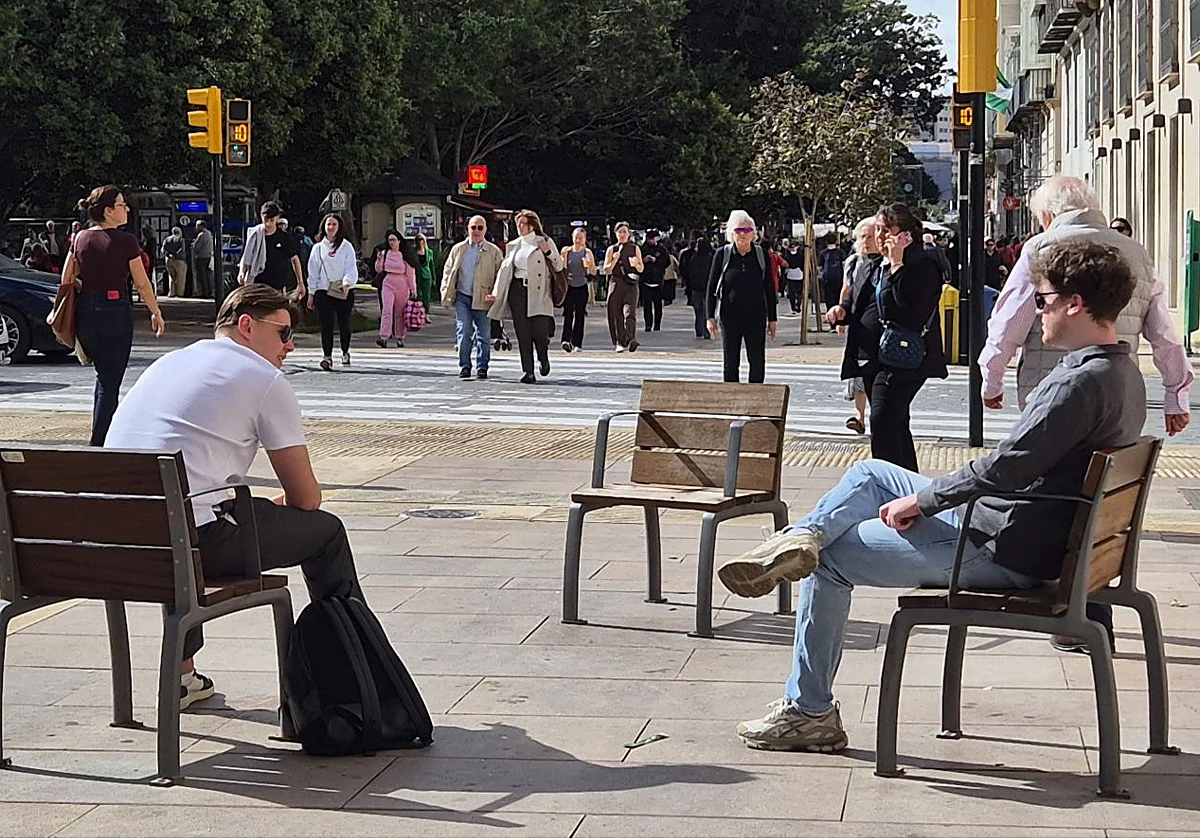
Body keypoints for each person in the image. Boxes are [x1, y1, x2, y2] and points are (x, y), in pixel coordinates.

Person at [718, 237, 1146, 752]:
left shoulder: (1076, 384)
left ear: (1074, 303)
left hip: (1002, 547)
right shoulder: (1124, 374)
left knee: (828, 562)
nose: (1038, 311)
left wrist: (924, 502)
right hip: (1030, 532)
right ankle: (799, 535)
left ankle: (809, 710)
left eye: (1043, 300)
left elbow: (1005, 468)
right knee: (872, 473)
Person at [103, 284, 366, 710]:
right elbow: (306, 498)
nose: (290, 346)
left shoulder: (170, 363)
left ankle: (182, 675)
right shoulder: (262, 378)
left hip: (119, 545)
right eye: (283, 333)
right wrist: (277, 507)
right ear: (247, 325)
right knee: (327, 533)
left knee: (180, 520)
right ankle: (354, 673)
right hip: (190, 542)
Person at [979, 175, 1193, 653]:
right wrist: (1176, 393)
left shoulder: (1042, 249)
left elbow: (1008, 322)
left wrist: (991, 379)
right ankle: (1089, 615)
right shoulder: (1134, 252)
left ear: (1047, 215)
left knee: (1054, 496)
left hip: (1055, 390)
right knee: (1095, 498)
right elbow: (1163, 331)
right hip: (1117, 392)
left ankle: (1073, 614)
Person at [827, 204, 947, 471]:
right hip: (872, 358)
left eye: (886, 230)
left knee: (882, 421)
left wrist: (897, 265)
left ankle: (887, 483)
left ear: (905, 235)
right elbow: (859, 301)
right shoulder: (873, 265)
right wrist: (842, 311)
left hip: (903, 359)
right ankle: (908, 485)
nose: (879, 236)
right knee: (895, 424)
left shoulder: (923, 266)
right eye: (877, 230)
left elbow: (907, 311)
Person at [59, 185, 166, 446]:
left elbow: (66, 278)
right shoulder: (126, 241)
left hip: (86, 312)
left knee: (103, 377)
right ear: (108, 211)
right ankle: (100, 443)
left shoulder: (81, 238)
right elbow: (142, 283)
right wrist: (155, 311)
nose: (126, 209)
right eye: (121, 205)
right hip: (114, 310)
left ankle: (101, 437)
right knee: (110, 382)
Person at [488, 209, 564, 383]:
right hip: (518, 290)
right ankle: (528, 371)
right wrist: (496, 293)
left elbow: (559, 266)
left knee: (540, 332)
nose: (520, 227)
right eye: (518, 223)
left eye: (524, 223)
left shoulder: (544, 241)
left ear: (532, 225)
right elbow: (504, 271)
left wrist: (548, 252)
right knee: (523, 333)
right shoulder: (514, 245)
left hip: (540, 291)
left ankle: (543, 357)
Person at [706, 210, 778, 384]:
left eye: (747, 230)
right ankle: (732, 397)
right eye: (739, 230)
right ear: (732, 233)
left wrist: (773, 319)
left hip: (756, 317)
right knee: (731, 363)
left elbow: (769, 287)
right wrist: (709, 317)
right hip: (729, 316)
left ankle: (756, 397)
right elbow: (712, 287)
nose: (743, 234)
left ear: (754, 233)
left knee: (757, 361)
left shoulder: (761, 255)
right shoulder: (722, 254)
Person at [832, 216, 879, 435]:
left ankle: (876, 418)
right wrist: (840, 311)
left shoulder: (890, 265)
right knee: (859, 376)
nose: (865, 241)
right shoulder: (856, 263)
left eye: (870, 236)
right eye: (862, 237)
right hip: (860, 333)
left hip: (885, 339)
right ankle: (860, 416)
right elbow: (848, 291)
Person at [441, 216, 503, 378]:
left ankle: (482, 367)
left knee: (484, 334)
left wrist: (496, 293)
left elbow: (500, 275)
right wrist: (446, 294)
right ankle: (465, 366)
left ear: (485, 230)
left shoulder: (494, 251)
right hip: (463, 297)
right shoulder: (458, 249)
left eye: (480, 228)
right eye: (473, 227)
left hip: (483, 297)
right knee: (464, 331)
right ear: (467, 229)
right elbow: (448, 272)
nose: (476, 231)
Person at [306, 213, 359, 371]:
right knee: (326, 324)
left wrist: (347, 283)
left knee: (344, 323)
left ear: (339, 227)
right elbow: (313, 272)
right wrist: (311, 293)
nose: (331, 227)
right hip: (323, 290)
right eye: (328, 224)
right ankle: (327, 356)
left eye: (334, 224)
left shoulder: (346, 247)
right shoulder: (317, 248)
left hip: (343, 290)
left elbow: (351, 267)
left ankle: (345, 351)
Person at [238, 202, 306, 301]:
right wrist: (241, 272)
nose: (268, 224)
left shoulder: (284, 237)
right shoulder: (254, 235)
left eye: (271, 220)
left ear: (277, 218)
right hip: (257, 284)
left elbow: (294, 259)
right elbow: (246, 255)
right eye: (266, 220)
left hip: (276, 286)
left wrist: (300, 283)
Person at [374, 229, 419, 350]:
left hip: (402, 284)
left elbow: (410, 273)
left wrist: (413, 289)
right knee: (386, 310)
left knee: (399, 312)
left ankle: (400, 337)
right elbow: (379, 269)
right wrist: (379, 259)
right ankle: (384, 336)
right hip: (388, 282)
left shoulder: (404, 255)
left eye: (394, 240)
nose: (391, 243)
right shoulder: (385, 254)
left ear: (399, 241)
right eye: (389, 240)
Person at [603, 221, 644, 352]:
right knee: (616, 313)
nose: (622, 234)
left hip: (630, 284)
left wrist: (636, 264)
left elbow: (641, 269)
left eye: (624, 232)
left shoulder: (634, 248)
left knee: (630, 312)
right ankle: (619, 341)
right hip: (616, 282)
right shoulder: (612, 249)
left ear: (628, 234)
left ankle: (631, 339)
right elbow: (606, 270)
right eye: (619, 232)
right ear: (615, 234)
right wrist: (614, 260)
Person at [560, 226, 597, 352]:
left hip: (582, 285)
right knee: (568, 314)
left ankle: (577, 343)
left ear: (585, 239)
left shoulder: (587, 252)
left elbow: (593, 272)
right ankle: (566, 340)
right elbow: (561, 268)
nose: (578, 240)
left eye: (581, 238)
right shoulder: (566, 251)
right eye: (576, 237)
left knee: (580, 315)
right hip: (569, 286)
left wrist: (589, 264)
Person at [682, 236, 715, 339]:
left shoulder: (693, 258)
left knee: (698, 310)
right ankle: (706, 331)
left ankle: (699, 329)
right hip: (707, 287)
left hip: (695, 287)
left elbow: (688, 272)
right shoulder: (711, 258)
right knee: (706, 309)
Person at [640, 229, 669, 332]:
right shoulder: (642, 249)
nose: (651, 241)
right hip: (645, 280)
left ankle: (657, 324)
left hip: (658, 280)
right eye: (649, 239)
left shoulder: (662, 249)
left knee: (658, 305)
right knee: (647, 305)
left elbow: (666, 262)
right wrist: (643, 260)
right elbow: (637, 263)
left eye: (653, 239)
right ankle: (648, 324)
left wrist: (656, 260)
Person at [160, 226, 188, 297]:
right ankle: (180, 293)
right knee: (180, 277)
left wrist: (169, 255)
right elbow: (182, 249)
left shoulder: (167, 239)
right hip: (179, 260)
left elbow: (163, 249)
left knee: (171, 277)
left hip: (168, 260)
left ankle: (171, 292)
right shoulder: (181, 239)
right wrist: (175, 255)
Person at [819, 239, 844, 315]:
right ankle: (836, 314)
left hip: (827, 279)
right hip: (838, 278)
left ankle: (830, 314)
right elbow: (844, 265)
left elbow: (820, 267)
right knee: (837, 298)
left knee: (829, 298)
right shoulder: (840, 252)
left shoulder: (823, 253)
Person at [192, 220, 215, 299]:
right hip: (208, 257)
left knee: (202, 275)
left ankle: (204, 292)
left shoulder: (201, 235)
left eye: (197, 226)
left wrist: (193, 245)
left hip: (202, 257)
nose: (196, 227)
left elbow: (196, 246)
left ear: (201, 226)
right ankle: (209, 291)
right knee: (208, 275)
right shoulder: (209, 233)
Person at [415, 233, 436, 314]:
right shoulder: (413, 252)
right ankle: (417, 313)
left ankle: (426, 312)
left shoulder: (429, 252)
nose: (420, 241)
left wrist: (434, 278)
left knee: (426, 296)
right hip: (416, 276)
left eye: (421, 239)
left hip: (427, 276)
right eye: (418, 240)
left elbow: (431, 266)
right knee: (417, 295)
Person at [783, 239, 805, 313]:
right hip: (794, 274)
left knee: (795, 292)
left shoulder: (787, 255)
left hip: (795, 274)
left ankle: (796, 305)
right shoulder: (800, 255)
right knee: (795, 292)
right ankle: (795, 306)